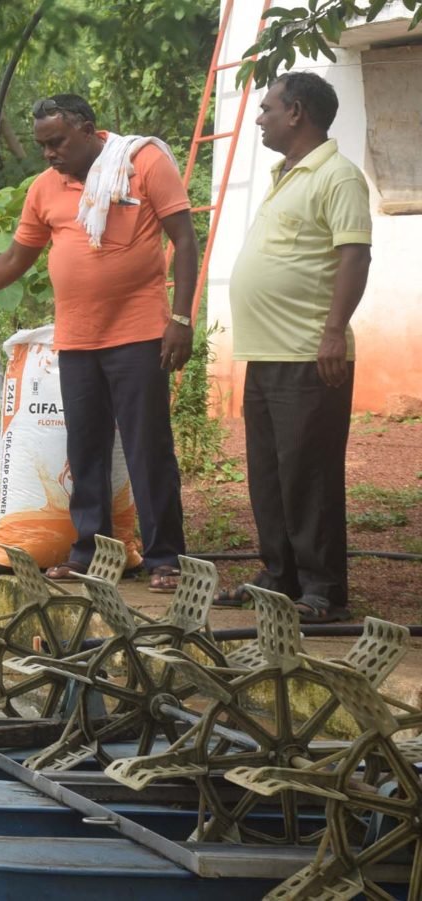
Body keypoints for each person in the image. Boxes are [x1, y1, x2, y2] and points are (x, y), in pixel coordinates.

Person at [0, 94, 199, 592]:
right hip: (77, 339)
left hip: (139, 334)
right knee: (84, 448)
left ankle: (165, 559)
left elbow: (185, 237)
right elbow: (14, 260)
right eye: (42, 145)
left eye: (57, 142)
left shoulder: (143, 164)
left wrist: (181, 317)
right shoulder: (45, 189)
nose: (49, 154)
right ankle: (89, 550)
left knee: (147, 448)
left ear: (89, 130)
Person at [215, 72, 371, 624]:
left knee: (309, 473)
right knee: (270, 474)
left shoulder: (337, 175)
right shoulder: (286, 176)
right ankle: (278, 576)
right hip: (267, 353)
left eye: (267, 109)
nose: (259, 118)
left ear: (297, 112)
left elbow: (354, 256)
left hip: (311, 352)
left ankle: (322, 590)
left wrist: (333, 330)